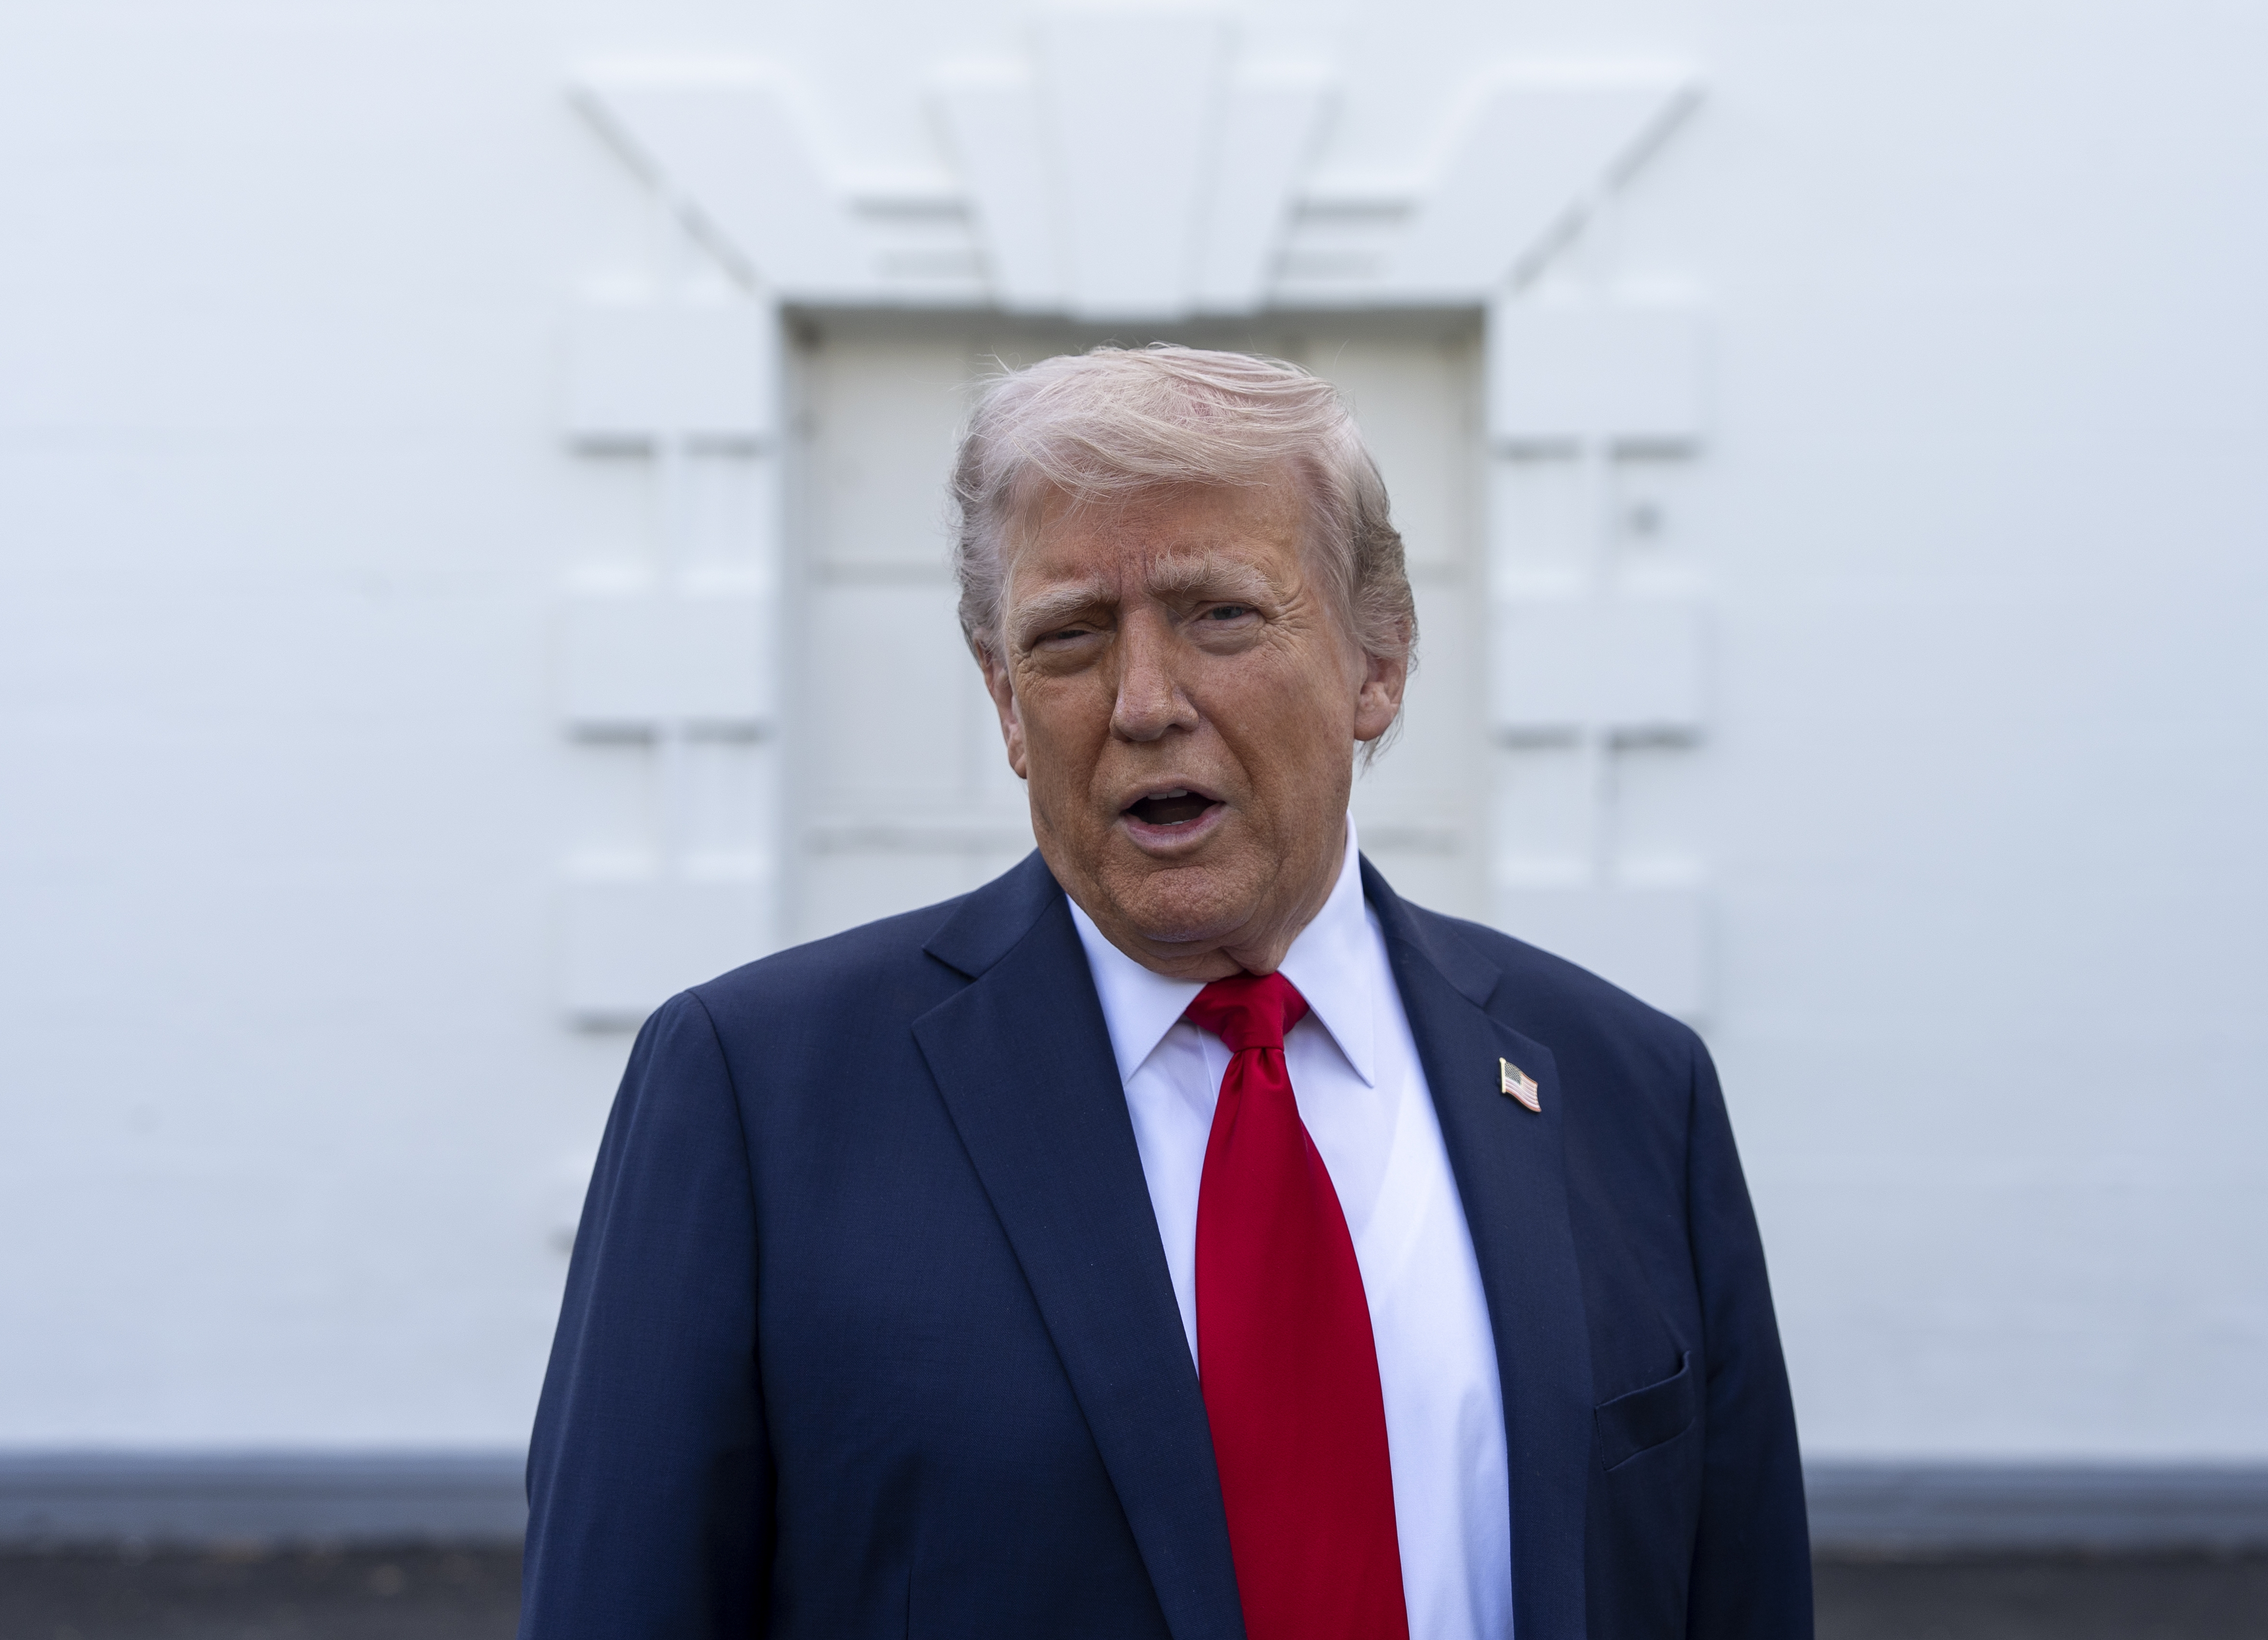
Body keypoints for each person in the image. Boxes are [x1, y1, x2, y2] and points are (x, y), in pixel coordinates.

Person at [519, 346, 1810, 1640]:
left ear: (1379, 662)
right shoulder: (756, 1096)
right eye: (1069, 638)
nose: (1143, 703)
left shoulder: (1625, 1086)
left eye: (1220, 615)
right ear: (1007, 704)